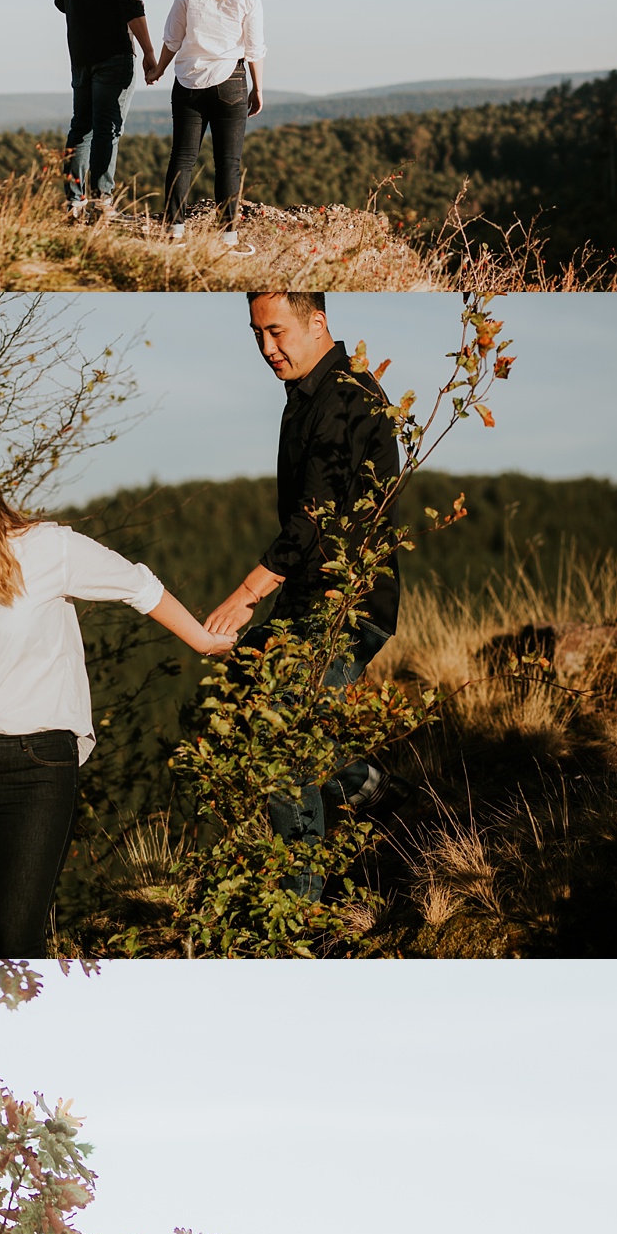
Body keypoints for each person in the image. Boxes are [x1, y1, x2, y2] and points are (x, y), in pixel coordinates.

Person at [0, 446, 229, 960]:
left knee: (16, 942)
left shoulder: (47, 550)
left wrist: (203, 643)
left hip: (36, 767)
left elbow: (136, 585)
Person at [203, 292, 402, 866]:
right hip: (309, 596)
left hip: (350, 602)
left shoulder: (345, 396)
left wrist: (245, 596)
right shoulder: (305, 395)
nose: (267, 348)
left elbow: (314, 518)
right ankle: (374, 791)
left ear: (318, 322)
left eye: (277, 332)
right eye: (257, 334)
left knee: (281, 741)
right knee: (253, 694)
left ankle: (302, 917)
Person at [54, 0, 159, 221]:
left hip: (80, 54)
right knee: (108, 126)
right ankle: (102, 203)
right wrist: (148, 52)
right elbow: (130, 4)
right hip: (113, 52)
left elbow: (61, 3)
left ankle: (74, 203)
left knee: (81, 126)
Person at [154, 0, 265, 240]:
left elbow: (172, 39)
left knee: (183, 156)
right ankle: (228, 234)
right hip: (231, 80)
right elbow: (255, 49)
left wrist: (159, 69)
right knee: (228, 162)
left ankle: (174, 229)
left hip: (188, 81)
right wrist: (258, 89)